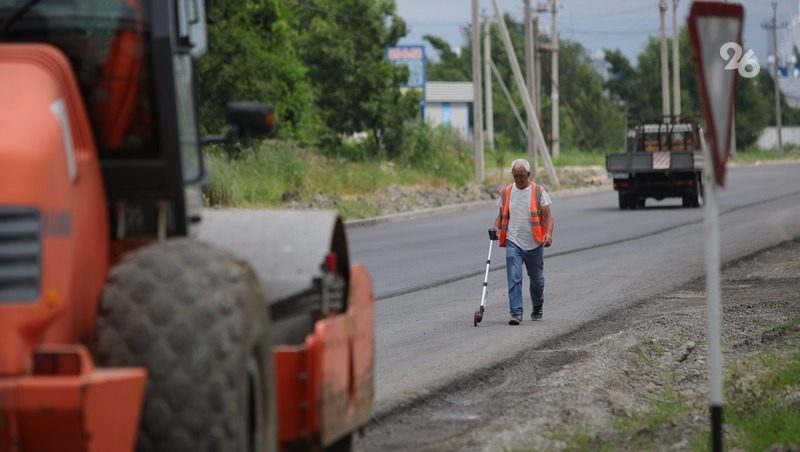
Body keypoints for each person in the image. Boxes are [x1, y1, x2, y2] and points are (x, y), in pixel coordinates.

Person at [493, 159, 554, 325]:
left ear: (528, 174)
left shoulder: (539, 192)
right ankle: (516, 312)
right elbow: (500, 216)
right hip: (513, 241)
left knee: (537, 280)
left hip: (535, 242)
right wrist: (496, 228)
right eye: (516, 176)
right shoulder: (506, 193)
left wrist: (548, 234)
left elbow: (549, 217)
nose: (519, 180)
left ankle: (537, 305)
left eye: (522, 176)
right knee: (514, 276)